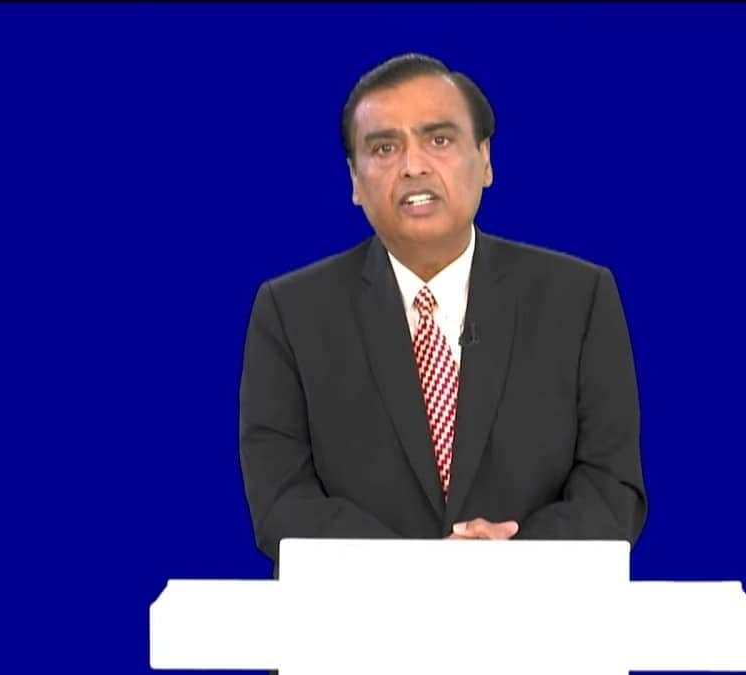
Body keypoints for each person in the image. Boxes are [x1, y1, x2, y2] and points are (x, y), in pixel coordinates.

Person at [238, 53, 646, 567]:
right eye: (384, 148)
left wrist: (510, 560)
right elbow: (282, 502)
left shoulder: (579, 299)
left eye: (439, 140)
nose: (413, 166)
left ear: (486, 159)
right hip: (358, 609)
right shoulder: (290, 313)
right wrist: (423, 572)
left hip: (539, 605)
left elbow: (612, 489)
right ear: (354, 180)